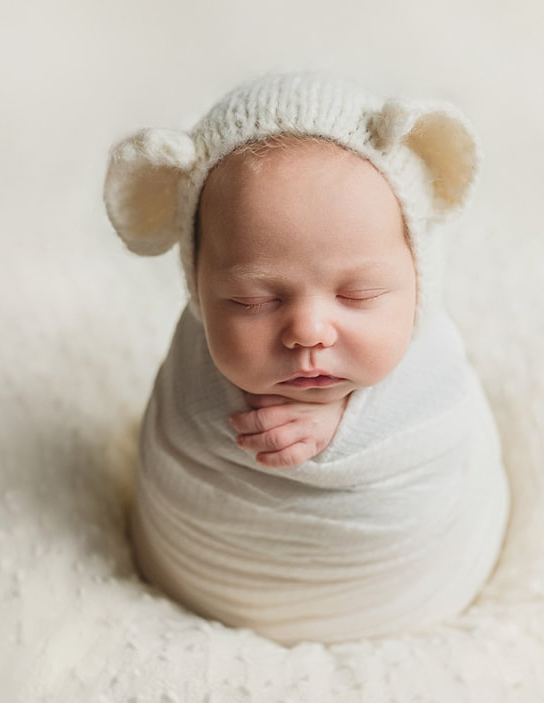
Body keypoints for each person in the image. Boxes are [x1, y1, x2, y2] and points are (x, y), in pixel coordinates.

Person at [104, 72, 509, 644]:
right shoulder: (193, 369)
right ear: (199, 289)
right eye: (253, 300)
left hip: (403, 593)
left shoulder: (431, 363)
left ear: (418, 278)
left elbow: (435, 428)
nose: (309, 331)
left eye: (358, 295)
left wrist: (344, 430)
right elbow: (181, 449)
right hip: (211, 585)